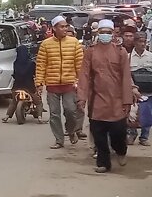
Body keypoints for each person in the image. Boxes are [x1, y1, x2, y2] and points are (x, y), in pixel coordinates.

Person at [77, 19, 133, 173]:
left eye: (108, 32)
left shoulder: (121, 52)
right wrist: (81, 97)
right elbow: (84, 75)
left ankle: (121, 151)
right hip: (97, 100)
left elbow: (126, 78)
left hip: (117, 100)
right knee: (99, 135)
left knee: (118, 133)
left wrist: (127, 100)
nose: (105, 35)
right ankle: (103, 163)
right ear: (98, 33)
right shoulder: (91, 51)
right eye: (103, 32)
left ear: (113, 33)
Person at [35, 16, 83, 149]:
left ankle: (71, 130)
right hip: (52, 85)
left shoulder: (74, 43)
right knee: (54, 114)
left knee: (71, 111)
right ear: (54, 28)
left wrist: (81, 82)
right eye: (61, 27)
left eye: (66, 26)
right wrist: (39, 83)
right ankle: (59, 139)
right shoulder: (46, 44)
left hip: (69, 84)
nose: (65, 29)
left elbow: (79, 64)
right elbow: (41, 65)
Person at [2, 45, 45, 124]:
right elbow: (35, 74)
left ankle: (7, 116)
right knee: (38, 102)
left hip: (16, 87)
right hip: (29, 87)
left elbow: (15, 74)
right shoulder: (31, 63)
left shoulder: (15, 63)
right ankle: (39, 117)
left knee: (14, 101)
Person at [128, 32, 152, 146]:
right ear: (135, 42)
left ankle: (144, 137)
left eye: (144, 41)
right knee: (132, 113)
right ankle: (132, 133)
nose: (142, 44)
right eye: (140, 41)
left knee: (147, 113)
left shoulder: (150, 56)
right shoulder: (128, 57)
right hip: (133, 89)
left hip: (148, 89)